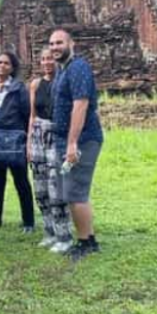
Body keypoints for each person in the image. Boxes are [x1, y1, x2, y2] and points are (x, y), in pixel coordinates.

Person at [49, 29, 103, 261]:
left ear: (72, 43)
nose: (54, 47)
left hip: (82, 139)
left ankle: (85, 242)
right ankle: (88, 238)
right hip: (65, 140)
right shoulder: (64, 70)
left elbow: (80, 105)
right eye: (51, 44)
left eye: (59, 42)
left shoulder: (78, 67)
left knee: (76, 191)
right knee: (72, 191)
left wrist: (72, 143)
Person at [27, 48, 72, 253]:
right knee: (41, 187)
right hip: (38, 133)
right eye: (43, 59)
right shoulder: (36, 84)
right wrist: (29, 143)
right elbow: (32, 115)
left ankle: (64, 235)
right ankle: (49, 232)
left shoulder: (64, 81)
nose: (46, 62)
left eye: (50, 58)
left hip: (58, 134)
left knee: (56, 186)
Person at [0, 52, 35, 232]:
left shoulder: (18, 89)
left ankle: (28, 221)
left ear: (12, 68)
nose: (2, 66)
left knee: (21, 182)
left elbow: (26, 113)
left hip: (14, 141)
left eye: (6, 63)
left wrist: (23, 136)